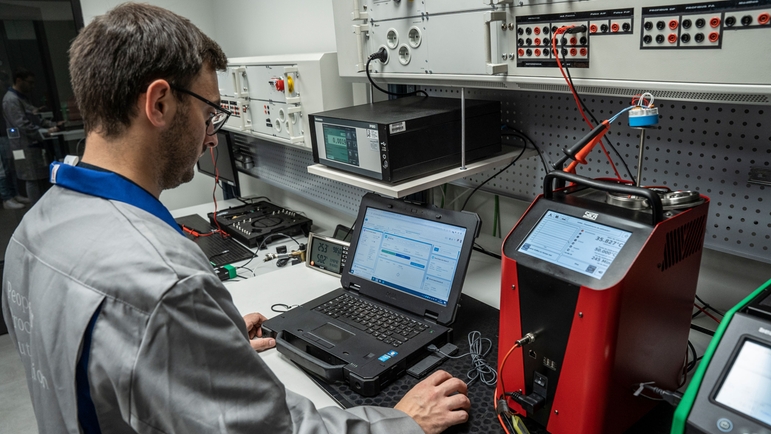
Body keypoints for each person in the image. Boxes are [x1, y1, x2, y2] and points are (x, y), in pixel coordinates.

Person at [1, 4, 470, 434]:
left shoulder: (34, 229)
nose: (211, 136)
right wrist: (401, 423)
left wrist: (199, 358)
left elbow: (98, 364)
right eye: (209, 112)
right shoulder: (166, 282)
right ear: (159, 103)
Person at [2, 68, 62, 204]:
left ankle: (43, 207)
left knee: (38, 176)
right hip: (23, 145)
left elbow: (34, 117)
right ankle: (36, 210)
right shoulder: (11, 100)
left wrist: (51, 124)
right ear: (19, 80)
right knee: (32, 178)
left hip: (32, 144)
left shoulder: (20, 97)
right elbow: (22, 124)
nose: (32, 86)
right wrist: (46, 132)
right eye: (30, 83)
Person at [0, 68, 28, 209]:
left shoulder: (6, 95)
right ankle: (7, 198)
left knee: (11, 165)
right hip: (1, 135)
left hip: (6, 133)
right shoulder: (8, 98)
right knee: (3, 167)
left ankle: (14, 193)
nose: (4, 83)